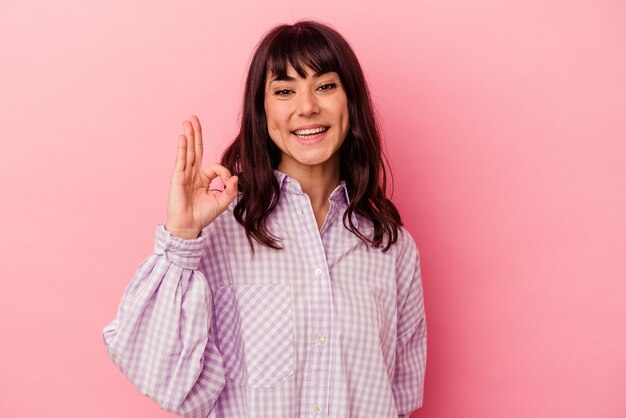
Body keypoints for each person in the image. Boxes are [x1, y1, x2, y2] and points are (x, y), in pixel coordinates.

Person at [102, 20, 426, 418]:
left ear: (350, 101)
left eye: (325, 86)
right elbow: (156, 372)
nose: (307, 107)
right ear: (263, 110)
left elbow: (399, 398)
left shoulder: (392, 248)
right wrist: (181, 236)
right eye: (285, 91)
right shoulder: (218, 236)